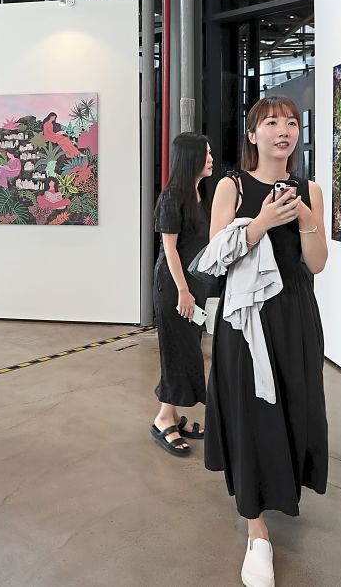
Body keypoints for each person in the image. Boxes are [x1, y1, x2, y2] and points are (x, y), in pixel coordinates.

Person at [204, 96, 329, 587]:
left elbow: (316, 263)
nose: (284, 130)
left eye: (292, 122)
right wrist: (260, 224)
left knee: (296, 406)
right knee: (252, 412)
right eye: (272, 122)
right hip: (245, 321)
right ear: (252, 134)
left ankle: (282, 489)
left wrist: (301, 216)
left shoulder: (310, 189)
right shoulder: (230, 187)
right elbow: (215, 258)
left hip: (295, 316)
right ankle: (257, 532)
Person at [149, 133, 215, 456]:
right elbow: (169, 250)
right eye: (206, 153)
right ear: (190, 159)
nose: (211, 158)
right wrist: (184, 291)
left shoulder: (198, 194)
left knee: (188, 350)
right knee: (176, 351)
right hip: (176, 288)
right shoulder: (173, 196)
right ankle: (164, 418)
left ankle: (173, 414)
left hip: (192, 287)